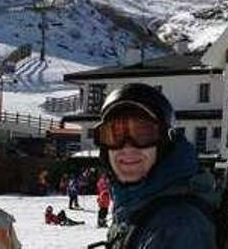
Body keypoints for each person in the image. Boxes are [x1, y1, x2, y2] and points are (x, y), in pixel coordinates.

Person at [90, 83, 221, 249]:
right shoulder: (139, 204)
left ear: (164, 144)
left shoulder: (176, 226)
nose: (127, 147)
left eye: (143, 133)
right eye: (114, 135)